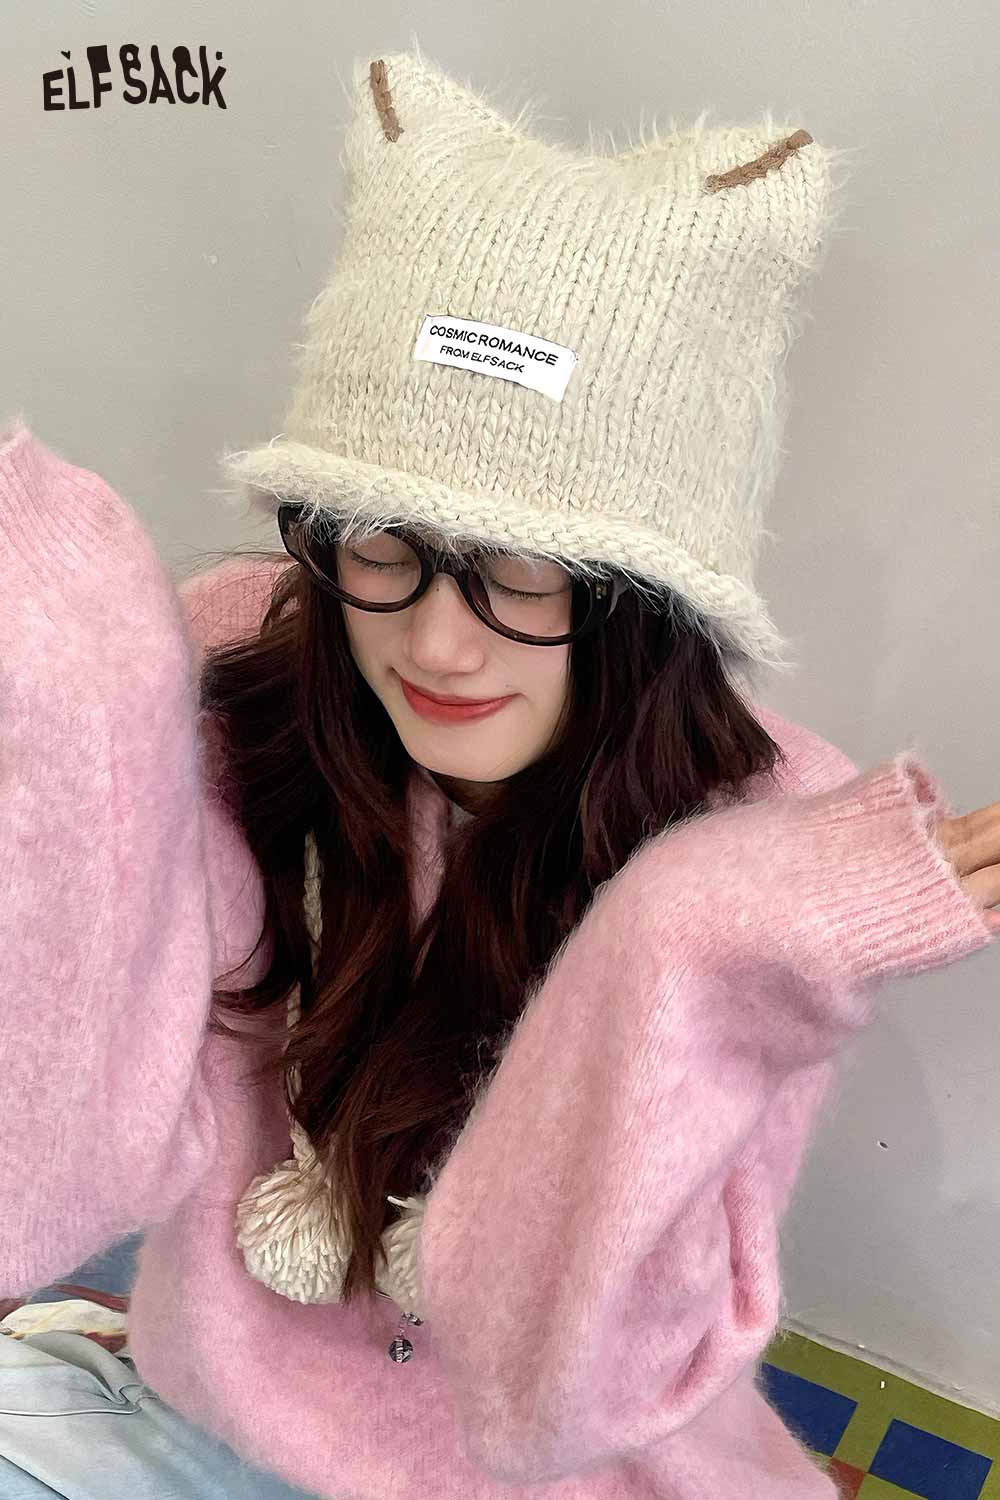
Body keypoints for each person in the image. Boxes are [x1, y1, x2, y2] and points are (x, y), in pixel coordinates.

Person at [1, 45, 997, 1500]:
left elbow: (578, 1397)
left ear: (651, 599)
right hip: (209, 1413)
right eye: (382, 541)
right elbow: (68, 1161)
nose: (438, 643)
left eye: (527, 572)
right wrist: (65, 718)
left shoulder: (768, 837)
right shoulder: (250, 670)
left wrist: (680, 948)